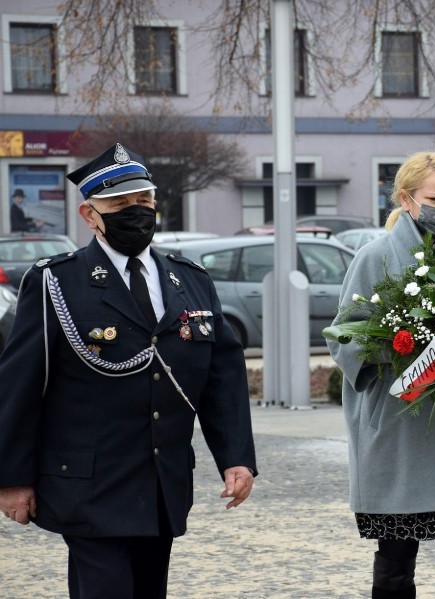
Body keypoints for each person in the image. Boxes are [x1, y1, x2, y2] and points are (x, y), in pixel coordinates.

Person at [0, 142, 257, 599]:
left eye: (143, 202)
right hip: (88, 483)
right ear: (89, 214)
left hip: (161, 482)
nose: (136, 212)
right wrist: (11, 478)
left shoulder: (190, 278)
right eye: (120, 204)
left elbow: (222, 378)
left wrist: (235, 456)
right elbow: (21, 384)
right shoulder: (56, 281)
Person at [328, 151, 435, 599]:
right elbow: (342, 339)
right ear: (406, 199)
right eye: (434, 198)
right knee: (397, 559)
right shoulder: (374, 257)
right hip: (401, 427)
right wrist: (408, 345)